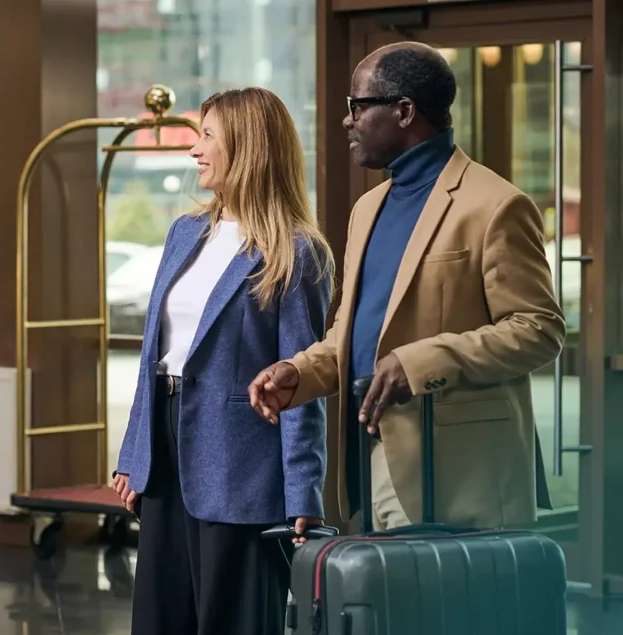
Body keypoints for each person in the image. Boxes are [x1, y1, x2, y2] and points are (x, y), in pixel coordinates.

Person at [249, 42, 565, 532]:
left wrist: (421, 363)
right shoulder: (367, 209)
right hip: (366, 465)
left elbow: (539, 330)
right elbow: (354, 333)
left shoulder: (497, 205)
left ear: (403, 111)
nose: (347, 120)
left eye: (358, 105)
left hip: (460, 477)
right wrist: (300, 372)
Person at [112, 87, 334, 635]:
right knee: (159, 618)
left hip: (241, 468)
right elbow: (154, 354)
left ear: (248, 147)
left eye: (208, 136)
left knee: (232, 620)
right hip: (166, 454)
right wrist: (134, 454)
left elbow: (302, 380)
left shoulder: (295, 252)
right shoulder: (183, 233)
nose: (195, 149)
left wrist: (303, 491)